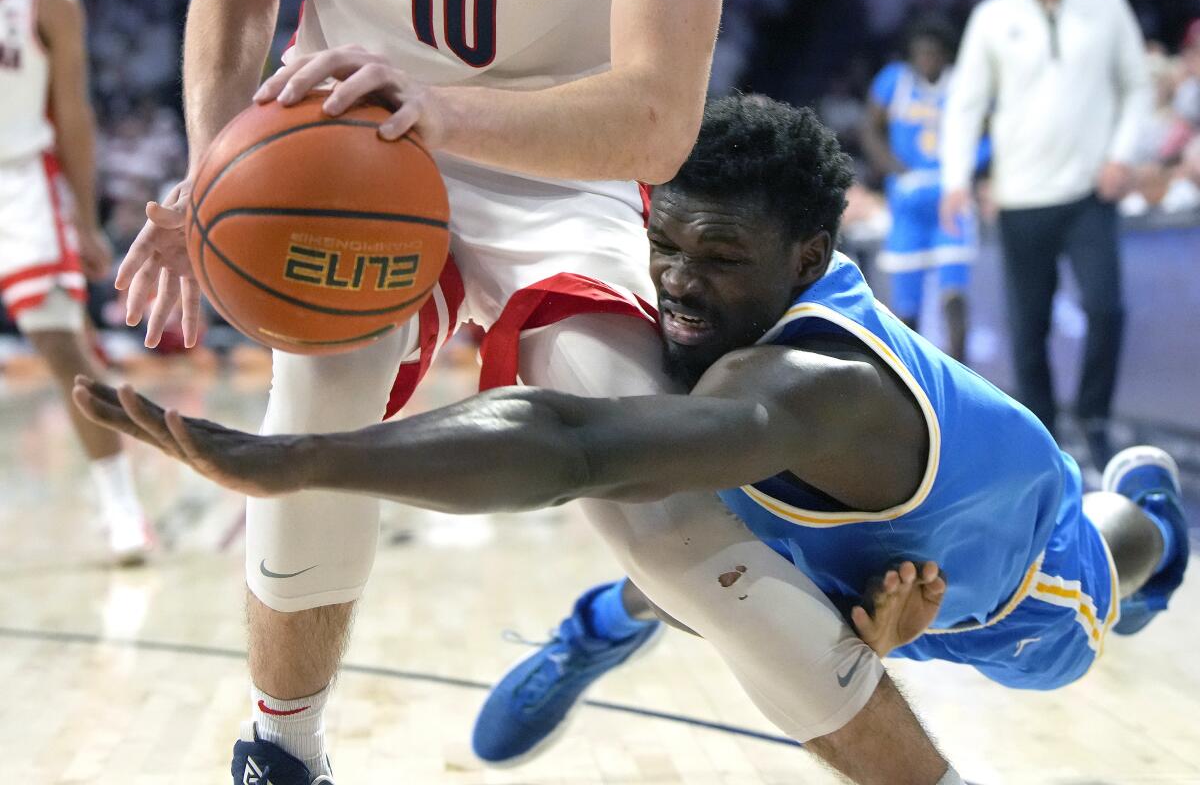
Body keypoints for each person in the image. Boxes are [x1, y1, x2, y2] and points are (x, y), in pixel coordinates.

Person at [78, 96, 1190, 785]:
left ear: (806, 259)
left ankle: (1159, 509)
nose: (681, 288)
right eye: (667, 247)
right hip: (846, 549)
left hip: (1017, 581)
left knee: (1119, 564)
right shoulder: (700, 310)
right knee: (710, 550)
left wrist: (301, 459)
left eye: (720, 258)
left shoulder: (809, 385)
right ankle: (619, 613)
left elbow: (566, 443)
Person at [114, 0, 950, 784]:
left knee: (661, 514)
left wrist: (440, 109)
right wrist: (214, 169)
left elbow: (657, 117)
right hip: (341, 135)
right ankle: (282, 753)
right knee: (316, 401)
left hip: (563, 162)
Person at [940, 0, 1152, 468]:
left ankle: (1094, 416)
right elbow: (967, 102)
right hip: (1021, 194)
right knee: (1028, 326)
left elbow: (1136, 85)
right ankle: (1043, 439)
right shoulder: (993, 16)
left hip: (1091, 191)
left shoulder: (1106, 1)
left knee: (1105, 307)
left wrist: (1122, 154)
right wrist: (955, 179)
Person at [0, 0, 151, 562]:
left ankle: (120, 504)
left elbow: (72, 113)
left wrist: (85, 221)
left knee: (61, 344)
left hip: (22, 179)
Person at [861, 18, 985, 362]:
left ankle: (963, 379)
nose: (926, 59)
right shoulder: (894, 81)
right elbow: (869, 129)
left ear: (946, 55)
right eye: (920, 53)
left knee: (954, 296)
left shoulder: (963, 82)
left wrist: (967, 167)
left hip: (949, 200)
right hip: (907, 202)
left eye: (933, 53)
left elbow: (988, 133)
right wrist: (895, 168)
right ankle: (911, 387)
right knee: (906, 309)